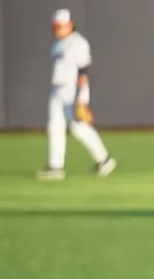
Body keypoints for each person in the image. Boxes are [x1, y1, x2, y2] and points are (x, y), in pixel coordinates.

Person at [37, 9, 117, 181]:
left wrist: (82, 97)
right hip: (57, 89)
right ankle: (55, 166)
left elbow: (84, 70)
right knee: (55, 127)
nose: (58, 29)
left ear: (70, 25)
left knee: (78, 126)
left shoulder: (78, 43)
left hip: (71, 90)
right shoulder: (57, 45)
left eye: (61, 26)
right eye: (56, 26)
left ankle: (104, 159)